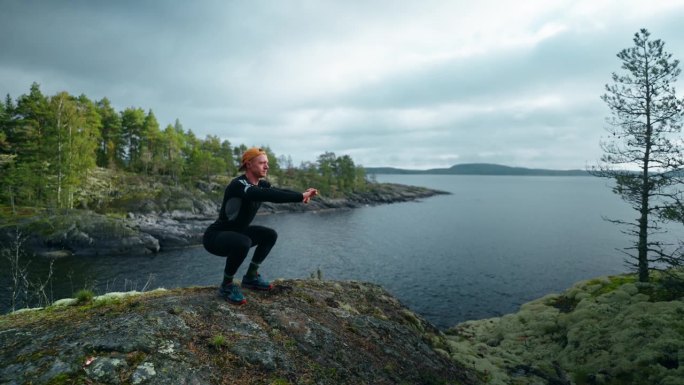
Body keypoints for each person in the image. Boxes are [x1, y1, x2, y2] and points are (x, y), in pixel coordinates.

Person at [203, 147, 318, 304]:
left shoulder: (261, 184)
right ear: (249, 165)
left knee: (269, 235)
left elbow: (277, 191)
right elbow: (266, 195)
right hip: (215, 238)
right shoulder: (238, 184)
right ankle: (227, 285)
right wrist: (300, 196)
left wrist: (302, 195)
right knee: (243, 242)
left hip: (239, 233)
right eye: (262, 162)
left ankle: (251, 277)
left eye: (267, 163)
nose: (267, 166)